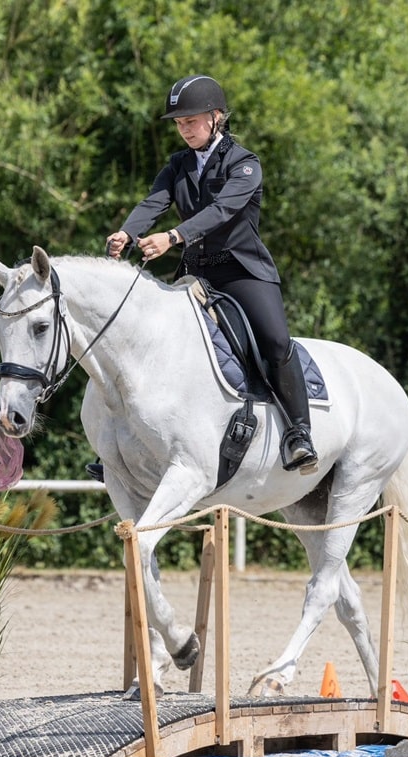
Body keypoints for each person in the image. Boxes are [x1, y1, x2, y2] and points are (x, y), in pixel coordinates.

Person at [106, 75, 318, 473]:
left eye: (190, 120)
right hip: (197, 274)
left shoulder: (245, 164)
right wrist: (127, 232)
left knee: (274, 340)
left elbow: (221, 211)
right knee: (149, 340)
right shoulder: (178, 165)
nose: (183, 129)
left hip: (241, 271)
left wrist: (173, 236)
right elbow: (155, 201)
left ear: (216, 117)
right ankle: (133, 442)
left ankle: (300, 434)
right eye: (178, 123)